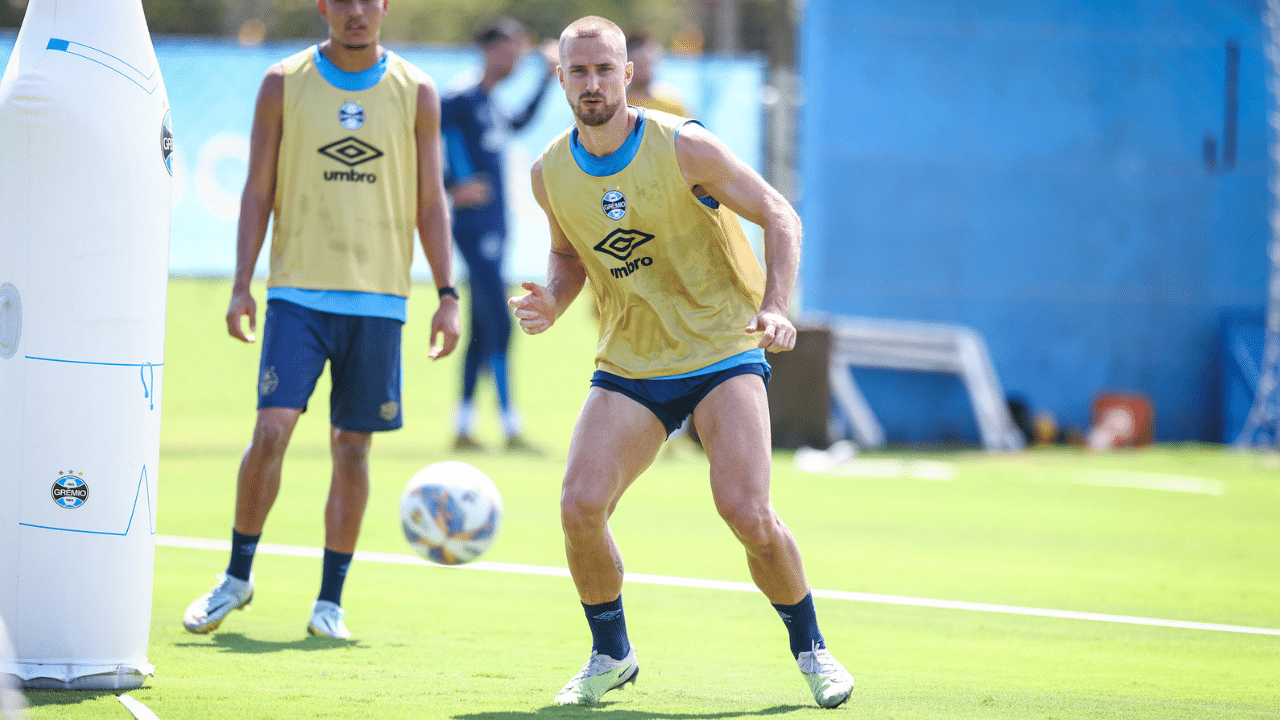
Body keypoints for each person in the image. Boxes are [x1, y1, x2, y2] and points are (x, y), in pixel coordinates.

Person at [509, 15, 855, 708]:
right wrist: (552, 296)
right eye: (578, 71)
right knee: (579, 506)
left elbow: (779, 214)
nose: (592, 83)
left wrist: (777, 305)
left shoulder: (682, 145)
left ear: (627, 74)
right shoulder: (549, 172)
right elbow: (570, 253)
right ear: (560, 79)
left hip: (721, 349)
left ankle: (812, 648)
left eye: (605, 69)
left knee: (745, 511)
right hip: (632, 362)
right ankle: (611, 653)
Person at [181, 0, 460, 640]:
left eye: (368, 1)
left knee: (352, 448)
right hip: (297, 295)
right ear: (323, 7)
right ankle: (237, 576)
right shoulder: (283, 82)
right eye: (343, 1)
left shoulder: (416, 91)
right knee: (272, 430)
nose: (356, 12)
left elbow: (430, 198)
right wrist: (241, 284)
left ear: (384, 6)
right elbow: (257, 189)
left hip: (379, 300)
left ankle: (329, 601)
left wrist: (448, 294)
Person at [442, 16, 557, 454]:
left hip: (495, 226)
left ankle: (465, 425)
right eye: (508, 51)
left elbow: (520, 121)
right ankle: (510, 427)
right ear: (489, 50)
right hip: (474, 228)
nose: (514, 59)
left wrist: (545, 79)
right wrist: (454, 183)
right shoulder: (461, 96)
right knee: (501, 325)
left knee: (481, 328)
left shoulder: (489, 102)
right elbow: (433, 137)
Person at [624, 31, 689, 116]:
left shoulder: (671, 105)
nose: (645, 69)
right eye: (639, 64)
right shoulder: (616, 106)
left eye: (649, 63)